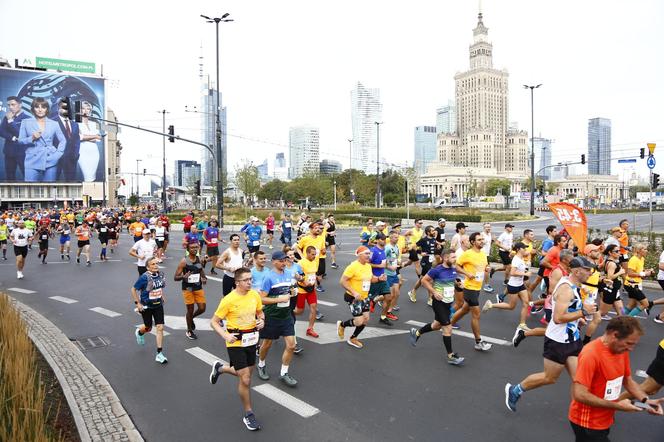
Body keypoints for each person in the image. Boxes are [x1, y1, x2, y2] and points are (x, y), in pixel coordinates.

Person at [505, 256, 597, 412]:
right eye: (587, 270)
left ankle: (579, 411)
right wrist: (583, 312)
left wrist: (577, 319)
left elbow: (568, 311)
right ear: (576, 271)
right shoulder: (566, 289)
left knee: (579, 379)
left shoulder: (575, 286)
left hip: (572, 340)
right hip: (558, 342)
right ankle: (515, 390)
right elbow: (558, 318)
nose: (590, 273)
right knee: (549, 378)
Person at [569, 317, 663, 441]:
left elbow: (627, 380)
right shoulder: (591, 355)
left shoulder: (620, 350)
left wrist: (645, 400)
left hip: (605, 418)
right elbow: (579, 394)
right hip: (587, 422)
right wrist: (617, 405)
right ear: (615, 335)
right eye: (629, 343)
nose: (631, 348)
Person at [209, 267, 265, 432]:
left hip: (252, 339)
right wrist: (225, 335)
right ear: (237, 282)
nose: (249, 283)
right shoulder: (228, 300)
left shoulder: (254, 295)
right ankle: (249, 413)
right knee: (246, 378)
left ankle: (221, 368)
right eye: (246, 280)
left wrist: (262, 321)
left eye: (250, 279)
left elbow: (260, 313)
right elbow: (214, 321)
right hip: (235, 341)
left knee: (247, 373)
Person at [409, 249, 465, 365]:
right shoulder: (437, 270)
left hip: (448, 302)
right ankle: (451, 356)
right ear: (445, 258)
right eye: (453, 257)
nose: (456, 259)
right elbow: (424, 281)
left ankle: (417, 333)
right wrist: (434, 292)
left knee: (436, 325)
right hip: (438, 303)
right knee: (447, 328)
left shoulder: (453, 269)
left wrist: (458, 285)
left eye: (456, 257)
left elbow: (451, 282)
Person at [257, 251, 298, 387]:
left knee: (291, 345)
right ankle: (261, 364)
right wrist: (279, 299)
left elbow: (290, 289)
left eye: (285, 260)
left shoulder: (288, 274)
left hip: (286, 315)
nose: (283, 263)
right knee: (267, 344)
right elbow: (262, 299)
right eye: (281, 261)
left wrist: (293, 292)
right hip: (272, 316)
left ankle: (284, 373)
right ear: (274, 261)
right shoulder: (269, 277)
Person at [450, 232, 493, 351]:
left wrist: (487, 268)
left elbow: (484, 266)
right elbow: (457, 266)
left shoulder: (483, 254)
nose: (482, 241)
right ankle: (478, 342)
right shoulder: (467, 254)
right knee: (476, 314)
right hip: (469, 288)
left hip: (477, 287)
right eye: (479, 240)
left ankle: (449, 324)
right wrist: (466, 273)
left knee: (464, 309)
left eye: (482, 239)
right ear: (473, 242)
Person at [482, 242, 531, 331]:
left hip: (520, 284)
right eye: (524, 248)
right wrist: (525, 273)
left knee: (526, 303)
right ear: (519, 249)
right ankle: (491, 305)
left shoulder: (520, 258)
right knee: (511, 306)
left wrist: (525, 269)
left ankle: (522, 324)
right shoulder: (517, 260)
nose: (526, 250)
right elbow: (512, 273)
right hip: (514, 286)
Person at [337, 246, 377, 349]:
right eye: (366, 254)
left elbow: (370, 279)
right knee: (359, 321)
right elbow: (342, 281)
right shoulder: (353, 266)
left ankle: (353, 338)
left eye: (369, 253)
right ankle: (342, 325)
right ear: (359, 255)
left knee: (366, 319)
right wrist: (354, 293)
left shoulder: (368, 266)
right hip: (353, 297)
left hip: (365, 297)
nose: (369, 255)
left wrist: (379, 279)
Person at [17, 98, 66, 182]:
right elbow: (20, 141)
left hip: (50, 159)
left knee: (50, 190)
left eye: (43, 107)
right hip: (32, 160)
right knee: (30, 190)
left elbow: (63, 140)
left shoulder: (54, 123)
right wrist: (32, 138)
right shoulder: (25, 122)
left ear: (47, 109)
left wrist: (57, 155)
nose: (40, 110)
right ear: (33, 109)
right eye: (37, 107)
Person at [131, 257, 168, 364]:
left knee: (160, 327)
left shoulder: (161, 275)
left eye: (156, 263)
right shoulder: (144, 277)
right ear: (148, 267)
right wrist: (138, 303)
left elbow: (158, 287)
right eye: (152, 264)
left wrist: (161, 295)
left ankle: (159, 353)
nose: (155, 265)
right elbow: (133, 289)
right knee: (148, 327)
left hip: (158, 305)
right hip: (146, 306)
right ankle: (140, 332)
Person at [175, 242, 207, 340]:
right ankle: (189, 330)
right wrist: (183, 277)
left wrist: (204, 277)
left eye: (196, 247)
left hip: (198, 287)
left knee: (202, 308)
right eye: (192, 247)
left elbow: (200, 269)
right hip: (188, 289)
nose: (194, 249)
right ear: (188, 249)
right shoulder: (184, 261)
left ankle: (190, 318)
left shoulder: (199, 259)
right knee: (190, 309)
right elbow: (175, 277)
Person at [0, 96, 30, 180]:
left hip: (23, 153)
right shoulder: (6, 117)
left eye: (13, 104)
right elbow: (1, 131)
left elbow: (21, 134)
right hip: (9, 152)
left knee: (27, 176)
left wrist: (10, 121)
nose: (10, 107)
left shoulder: (27, 118)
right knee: (10, 177)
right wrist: (12, 137)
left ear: (20, 105)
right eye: (9, 105)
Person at [408, 226, 438, 305]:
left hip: (431, 260)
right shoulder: (424, 240)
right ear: (428, 232)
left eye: (434, 230)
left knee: (422, 279)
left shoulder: (433, 239)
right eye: (432, 231)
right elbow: (413, 247)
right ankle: (430, 299)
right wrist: (420, 252)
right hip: (425, 261)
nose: (434, 231)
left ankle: (413, 291)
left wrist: (437, 246)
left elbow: (433, 248)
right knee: (429, 280)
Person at [294, 246, 320, 337]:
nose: (314, 256)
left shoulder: (315, 262)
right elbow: (297, 276)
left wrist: (315, 283)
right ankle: (287, 314)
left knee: (313, 308)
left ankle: (310, 329)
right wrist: (304, 282)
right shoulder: (301, 263)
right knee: (299, 311)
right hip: (302, 290)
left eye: (315, 254)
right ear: (307, 253)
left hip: (311, 290)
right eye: (312, 254)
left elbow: (314, 273)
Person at [624, 243, 655, 317]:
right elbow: (630, 273)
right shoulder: (634, 260)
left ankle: (621, 315)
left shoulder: (642, 259)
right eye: (644, 249)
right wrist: (644, 274)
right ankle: (628, 319)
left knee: (632, 304)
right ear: (638, 251)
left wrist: (647, 271)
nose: (646, 251)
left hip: (635, 284)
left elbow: (639, 270)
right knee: (645, 304)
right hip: (631, 285)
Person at [599, 244, 626, 320]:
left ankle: (620, 326)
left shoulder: (607, 261)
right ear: (610, 253)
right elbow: (609, 278)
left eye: (619, 251)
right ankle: (585, 316)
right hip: (610, 290)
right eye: (616, 251)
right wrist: (619, 273)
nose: (619, 253)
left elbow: (598, 267)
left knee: (621, 311)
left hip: (615, 290)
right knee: (602, 313)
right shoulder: (612, 264)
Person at [77, 101, 102, 181]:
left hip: (94, 153)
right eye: (83, 108)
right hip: (83, 153)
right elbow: (80, 137)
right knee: (87, 176)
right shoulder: (76, 123)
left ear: (90, 112)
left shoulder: (94, 124)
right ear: (80, 110)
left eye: (88, 109)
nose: (86, 111)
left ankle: (91, 192)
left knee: (92, 177)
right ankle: (87, 192)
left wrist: (87, 137)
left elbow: (99, 139)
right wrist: (94, 136)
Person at [480, 223, 495, 293]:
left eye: (489, 227)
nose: (488, 228)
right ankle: (486, 286)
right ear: (484, 228)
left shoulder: (489, 234)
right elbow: (480, 244)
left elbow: (489, 244)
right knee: (487, 270)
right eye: (486, 227)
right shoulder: (482, 235)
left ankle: (485, 284)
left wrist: (492, 241)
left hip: (487, 254)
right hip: (482, 254)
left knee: (483, 270)